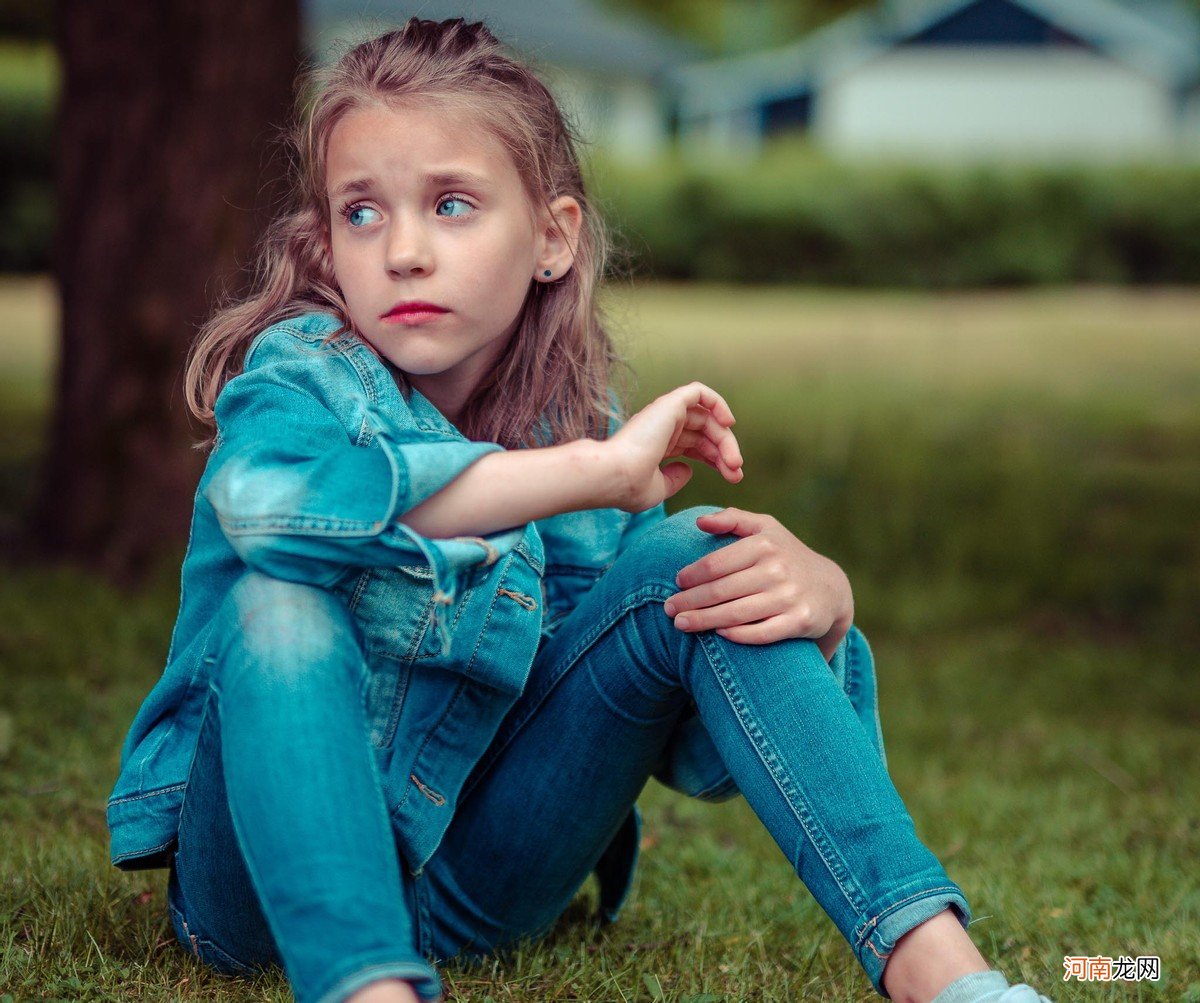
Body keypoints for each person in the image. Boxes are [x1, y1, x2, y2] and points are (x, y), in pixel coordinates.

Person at [105, 17, 1057, 1003]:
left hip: (477, 881)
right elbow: (269, 516)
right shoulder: (295, 380)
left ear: (552, 237)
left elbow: (698, 753)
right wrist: (594, 472)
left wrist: (825, 606)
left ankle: (948, 979)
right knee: (279, 605)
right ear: (326, 239)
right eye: (362, 212)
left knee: (703, 557)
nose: (405, 251)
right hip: (254, 890)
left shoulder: (573, 424)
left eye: (453, 203)